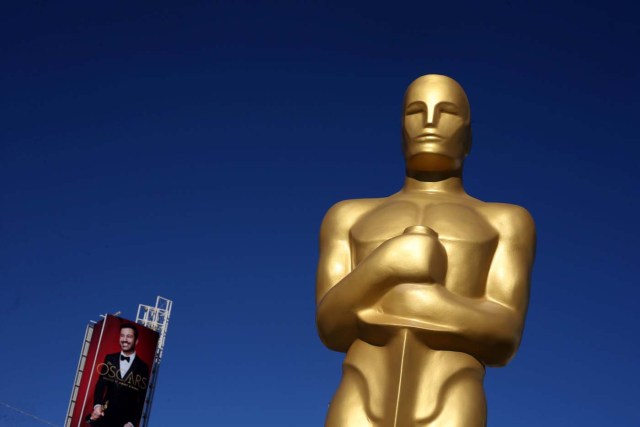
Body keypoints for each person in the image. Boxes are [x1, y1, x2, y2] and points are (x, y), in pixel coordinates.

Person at [316, 74, 536, 426]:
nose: (429, 123)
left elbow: (504, 334)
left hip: (451, 389)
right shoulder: (349, 215)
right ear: (400, 128)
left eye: (446, 112)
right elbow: (330, 324)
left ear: (469, 136)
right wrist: (387, 264)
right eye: (415, 112)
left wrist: (419, 303)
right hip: (359, 386)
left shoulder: (505, 221)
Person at [86, 323, 150, 427]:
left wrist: (132, 423)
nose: (124, 339)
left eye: (129, 336)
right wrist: (97, 405)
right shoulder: (110, 358)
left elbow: (141, 399)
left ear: (136, 341)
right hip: (104, 417)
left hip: (124, 422)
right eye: (122, 335)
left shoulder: (143, 367)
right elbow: (101, 384)